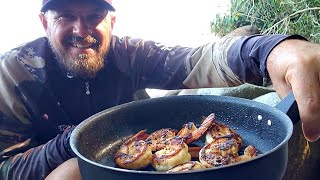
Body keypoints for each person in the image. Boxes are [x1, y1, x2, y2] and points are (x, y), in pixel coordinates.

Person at [1, 0, 320, 179]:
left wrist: (273, 52)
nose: (81, 31)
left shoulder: (127, 54)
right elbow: (8, 168)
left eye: (94, 16)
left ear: (111, 20)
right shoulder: (13, 72)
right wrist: (76, 142)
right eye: (67, 16)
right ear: (44, 22)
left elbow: (196, 60)